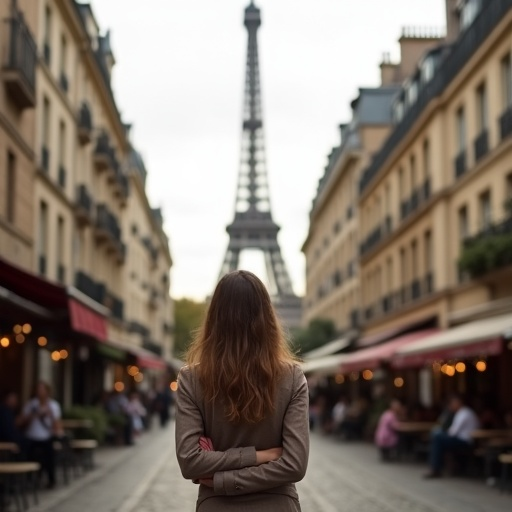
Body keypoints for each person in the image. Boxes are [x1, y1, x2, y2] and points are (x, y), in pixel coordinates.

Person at [175, 270, 309, 511]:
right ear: (267, 316)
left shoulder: (191, 378)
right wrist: (262, 456)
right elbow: (293, 465)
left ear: (214, 317)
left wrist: (223, 481)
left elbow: (191, 461)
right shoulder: (292, 377)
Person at [424, 394, 480, 479]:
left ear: (459, 403)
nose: (451, 405)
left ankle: (435, 468)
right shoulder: (463, 412)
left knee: (437, 438)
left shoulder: (464, 413)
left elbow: (453, 432)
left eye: (453, 403)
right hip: (465, 440)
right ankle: (436, 467)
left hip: (465, 441)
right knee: (437, 438)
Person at [20, 382, 62, 488]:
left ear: (48, 391)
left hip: (46, 437)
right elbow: (20, 422)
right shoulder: (31, 404)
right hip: (31, 436)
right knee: (29, 456)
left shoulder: (53, 405)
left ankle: (51, 480)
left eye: (42, 389)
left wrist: (50, 414)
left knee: (49, 458)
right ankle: (29, 479)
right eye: (38, 389)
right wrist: (34, 414)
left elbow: (57, 426)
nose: (40, 391)